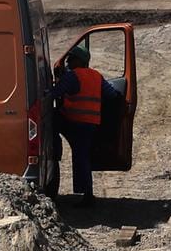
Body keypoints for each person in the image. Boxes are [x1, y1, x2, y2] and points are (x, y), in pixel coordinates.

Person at [48, 41, 121, 205]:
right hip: (91, 124)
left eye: (71, 59)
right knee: (83, 157)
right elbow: (112, 95)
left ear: (79, 61)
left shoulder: (73, 76)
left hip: (73, 121)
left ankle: (87, 196)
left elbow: (54, 93)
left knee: (51, 119)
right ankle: (87, 193)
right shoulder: (96, 76)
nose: (68, 63)